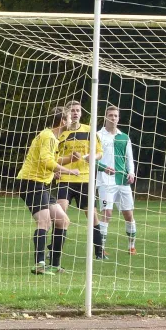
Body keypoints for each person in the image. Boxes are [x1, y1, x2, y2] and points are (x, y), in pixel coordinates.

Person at [17, 107, 80, 275]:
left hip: (41, 185)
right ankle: (39, 264)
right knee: (44, 221)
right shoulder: (48, 137)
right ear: (63, 121)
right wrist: (69, 171)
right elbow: (47, 162)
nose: (71, 120)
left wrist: (69, 160)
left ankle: (55, 265)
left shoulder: (52, 137)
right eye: (69, 117)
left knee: (63, 220)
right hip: (31, 182)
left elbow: (51, 160)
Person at [56, 100, 114, 260]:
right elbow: (54, 157)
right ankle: (54, 252)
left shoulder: (89, 131)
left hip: (85, 179)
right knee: (60, 214)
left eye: (77, 110)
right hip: (66, 178)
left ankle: (99, 251)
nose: (75, 113)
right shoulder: (61, 133)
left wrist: (91, 157)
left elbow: (100, 152)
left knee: (92, 216)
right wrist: (57, 168)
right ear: (67, 114)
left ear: (81, 113)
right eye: (72, 111)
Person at [97, 106, 137, 255]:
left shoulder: (124, 136)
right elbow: (91, 159)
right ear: (105, 117)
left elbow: (129, 158)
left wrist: (131, 172)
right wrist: (103, 168)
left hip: (123, 181)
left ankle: (131, 246)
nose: (113, 118)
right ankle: (101, 248)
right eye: (110, 115)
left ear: (118, 118)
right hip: (105, 181)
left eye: (115, 116)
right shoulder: (98, 136)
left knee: (128, 214)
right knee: (107, 213)